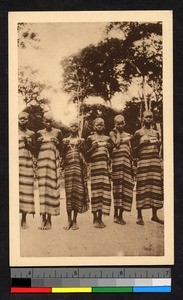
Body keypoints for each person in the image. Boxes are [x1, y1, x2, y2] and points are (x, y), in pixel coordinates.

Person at [132, 110, 164, 225]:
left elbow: (159, 150)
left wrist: (159, 144)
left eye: (151, 117)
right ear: (142, 119)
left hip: (154, 163)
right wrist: (141, 144)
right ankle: (139, 216)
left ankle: (154, 215)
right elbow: (133, 152)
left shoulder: (156, 133)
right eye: (146, 117)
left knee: (154, 186)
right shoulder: (138, 133)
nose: (149, 119)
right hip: (143, 163)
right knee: (142, 187)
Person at [36, 112, 62, 230]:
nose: (48, 123)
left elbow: (62, 148)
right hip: (42, 163)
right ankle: (43, 219)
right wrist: (38, 142)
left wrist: (57, 143)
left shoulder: (57, 132)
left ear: (53, 122)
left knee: (51, 190)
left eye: (50, 121)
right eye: (46, 121)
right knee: (43, 191)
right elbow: (36, 150)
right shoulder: (39, 133)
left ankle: (50, 219)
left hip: (52, 163)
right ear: (43, 121)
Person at [62, 120, 89, 230]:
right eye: (72, 126)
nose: (74, 127)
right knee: (69, 194)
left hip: (79, 169)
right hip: (69, 170)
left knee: (78, 192)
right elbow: (63, 155)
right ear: (69, 128)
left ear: (78, 128)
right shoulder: (65, 140)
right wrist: (65, 146)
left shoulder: (81, 140)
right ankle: (69, 220)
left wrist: (81, 147)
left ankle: (75, 220)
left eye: (76, 126)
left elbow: (86, 155)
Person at [86, 118, 112, 228]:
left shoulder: (107, 138)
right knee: (96, 192)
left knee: (103, 192)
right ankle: (94, 218)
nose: (100, 126)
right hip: (95, 168)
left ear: (104, 126)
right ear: (93, 126)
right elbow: (87, 156)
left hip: (104, 168)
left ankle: (100, 217)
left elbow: (110, 155)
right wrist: (93, 148)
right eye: (97, 124)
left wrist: (110, 148)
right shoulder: (90, 138)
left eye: (102, 124)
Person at [110, 115, 134, 225]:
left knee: (125, 188)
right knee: (117, 189)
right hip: (117, 165)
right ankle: (116, 214)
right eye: (117, 123)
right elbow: (116, 144)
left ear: (124, 123)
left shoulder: (128, 135)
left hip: (126, 164)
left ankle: (121, 215)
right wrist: (118, 132)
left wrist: (131, 164)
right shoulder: (112, 133)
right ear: (114, 124)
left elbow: (130, 150)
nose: (120, 125)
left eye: (121, 123)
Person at [19, 111, 35, 229]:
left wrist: (27, 144)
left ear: (28, 120)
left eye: (25, 119)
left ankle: (24, 219)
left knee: (26, 190)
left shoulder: (31, 133)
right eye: (21, 118)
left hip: (27, 163)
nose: (23, 120)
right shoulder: (11, 131)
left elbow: (35, 150)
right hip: (15, 163)